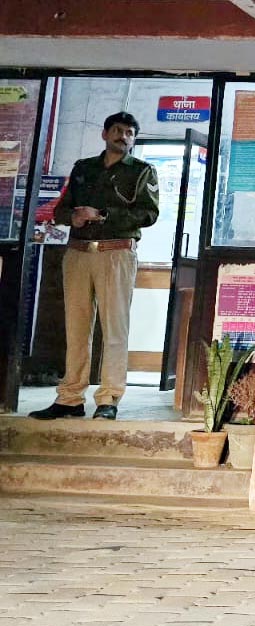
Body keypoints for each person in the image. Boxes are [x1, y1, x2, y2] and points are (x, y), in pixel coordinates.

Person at [32, 112, 159, 421]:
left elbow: (149, 214)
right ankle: (70, 398)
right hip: (77, 253)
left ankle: (108, 398)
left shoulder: (142, 171)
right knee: (76, 328)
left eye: (129, 133)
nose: (123, 136)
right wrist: (72, 217)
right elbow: (60, 209)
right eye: (117, 130)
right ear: (104, 134)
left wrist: (102, 215)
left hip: (116, 253)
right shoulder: (83, 168)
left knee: (115, 328)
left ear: (133, 140)